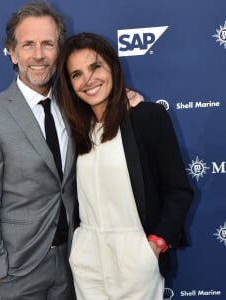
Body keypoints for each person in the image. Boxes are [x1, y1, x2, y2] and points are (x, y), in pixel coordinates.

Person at [0, 2, 142, 299]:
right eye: (28, 44)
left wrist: (124, 98)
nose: (38, 55)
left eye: (48, 44)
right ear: (11, 52)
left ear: (59, 50)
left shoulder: (75, 105)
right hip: (19, 269)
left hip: (77, 261)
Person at [55, 32, 194, 300]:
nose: (89, 80)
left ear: (112, 67)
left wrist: (154, 246)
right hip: (87, 258)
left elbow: (179, 191)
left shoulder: (147, 117)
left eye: (95, 66)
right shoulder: (74, 129)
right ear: (69, 84)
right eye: (77, 74)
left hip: (136, 256)